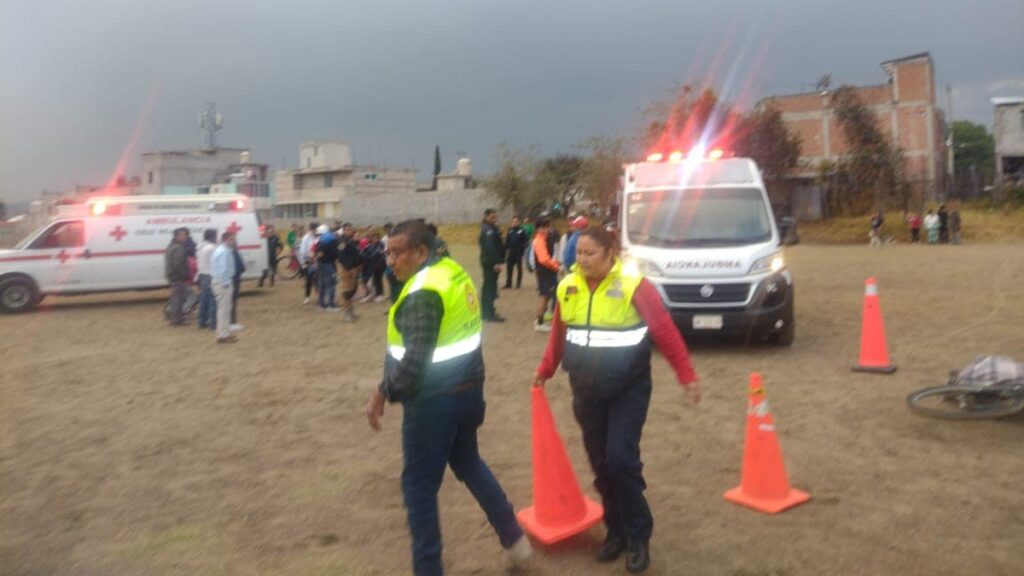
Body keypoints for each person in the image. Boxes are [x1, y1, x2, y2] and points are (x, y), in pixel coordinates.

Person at [364, 220, 532, 575]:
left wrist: (382, 391)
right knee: (468, 462)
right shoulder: (452, 272)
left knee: (419, 487)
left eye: (398, 252)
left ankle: (428, 569)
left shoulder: (423, 293)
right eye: (387, 252)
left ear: (421, 252)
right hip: (468, 393)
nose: (390, 260)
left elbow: (412, 368)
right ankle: (515, 540)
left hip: (434, 403)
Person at [533, 227, 699, 574]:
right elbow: (559, 335)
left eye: (590, 253)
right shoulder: (568, 286)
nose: (582, 259)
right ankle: (616, 530)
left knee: (621, 459)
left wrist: (686, 375)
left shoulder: (634, 285)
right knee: (601, 464)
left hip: (628, 389)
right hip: (586, 390)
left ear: (611, 254)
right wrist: (546, 369)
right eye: (579, 253)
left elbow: (664, 330)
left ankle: (639, 536)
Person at [531, 217, 560, 332]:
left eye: (548, 226)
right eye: (545, 227)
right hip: (545, 272)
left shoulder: (544, 238)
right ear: (539, 229)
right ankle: (539, 321)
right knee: (545, 296)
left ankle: (540, 319)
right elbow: (543, 259)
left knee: (546, 296)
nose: (548, 229)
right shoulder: (539, 240)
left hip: (545, 271)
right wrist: (555, 266)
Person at [478, 209, 505, 322]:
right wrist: (496, 263)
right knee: (490, 287)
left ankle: (486, 311)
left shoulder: (490, 228)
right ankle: (488, 313)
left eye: (495, 217)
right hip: (490, 262)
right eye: (492, 217)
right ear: (486, 217)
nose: (495, 219)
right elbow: (490, 248)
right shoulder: (487, 230)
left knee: (489, 286)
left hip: (488, 261)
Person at [212, 231, 238, 344]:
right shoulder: (224, 252)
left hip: (222, 282)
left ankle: (225, 332)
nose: (234, 241)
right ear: (226, 239)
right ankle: (222, 335)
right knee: (223, 310)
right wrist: (226, 283)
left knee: (225, 309)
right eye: (232, 239)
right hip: (223, 283)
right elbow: (223, 269)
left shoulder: (224, 250)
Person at [164, 228, 191, 326]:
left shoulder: (171, 246)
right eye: (183, 235)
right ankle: (176, 319)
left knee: (176, 298)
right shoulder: (178, 248)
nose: (185, 238)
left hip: (173, 276)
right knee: (178, 299)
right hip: (178, 277)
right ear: (177, 236)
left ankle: (176, 318)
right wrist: (185, 275)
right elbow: (178, 264)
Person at [337, 223, 362, 322]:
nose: (349, 231)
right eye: (347, 230)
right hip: (346, 269)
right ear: (343, 230)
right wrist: (349, 267)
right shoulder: (341, 241)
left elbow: (355, 253)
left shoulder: (352, 241)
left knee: (353, 290)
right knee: (346, 291)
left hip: (354, 268)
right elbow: (342, 256)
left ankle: (351, 312)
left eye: (350, 229)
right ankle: (347, 313)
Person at [313, 224, 340, 311]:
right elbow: (335, 253)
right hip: (329, 264)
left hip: (321, 264)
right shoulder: (330, 240)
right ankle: (330, 305)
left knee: (322, 285)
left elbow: (317, 253)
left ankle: (321, 304)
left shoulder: (319, 241)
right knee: (331, 284)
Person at [196, 228, 218, 330]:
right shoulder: (211, 248)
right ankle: (213, 324)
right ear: (212, 237)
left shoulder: (200, 247)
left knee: (204, 300)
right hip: (210, 274)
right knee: (213, 300)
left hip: (202, 274)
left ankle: (202, 321)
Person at [503, 215, 528, 289]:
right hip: (511, 253)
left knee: (519, 268)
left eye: (516, 221)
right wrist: (505, 249)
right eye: (513, 221)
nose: (514, 223)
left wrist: (522, 249)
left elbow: (526, 242)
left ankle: (518, 283)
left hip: (518, 253)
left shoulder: (522, 231)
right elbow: (507, 242)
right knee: (509, 268)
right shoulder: (510, 231)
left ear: (519, 222)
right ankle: (508, 283)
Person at [299, 222, 319, 304]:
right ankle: (307, 297)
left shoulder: (319, 237)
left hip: (318, 261)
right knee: (309, 280)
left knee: (318, 280)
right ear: (311, 229)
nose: (315, 231)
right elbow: (303, 251)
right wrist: (304, 262)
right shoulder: (306, 238)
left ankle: (319, 296)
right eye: (314, 230)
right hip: (308, 261)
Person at [230, 243, 246, 331]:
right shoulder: (234, 253)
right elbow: (240, 266)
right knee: (232, 302)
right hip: (234, 279)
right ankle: (232, 322)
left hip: (230, 279)